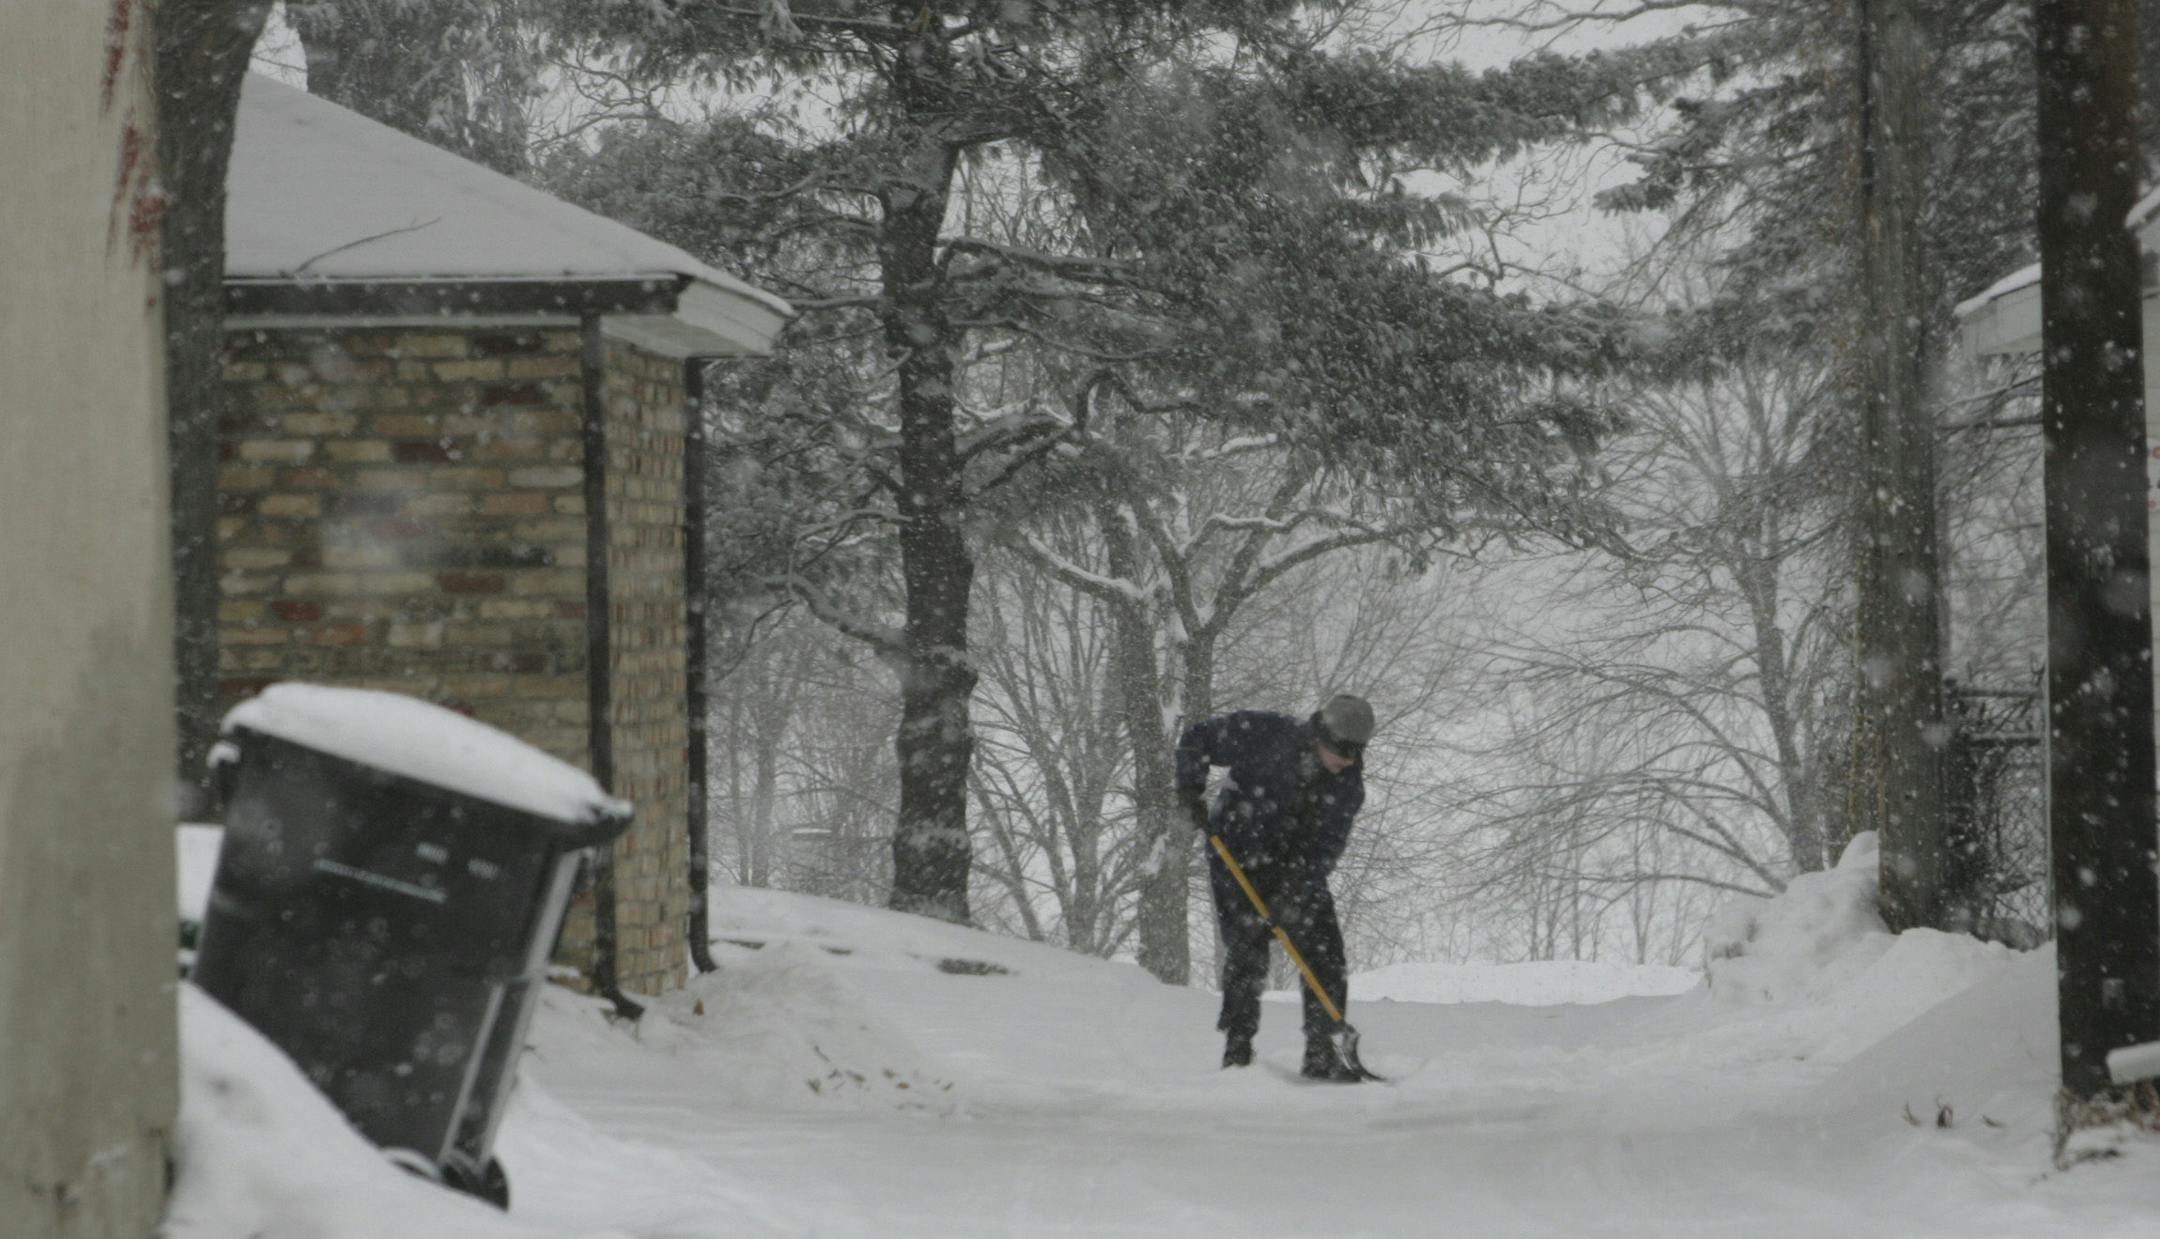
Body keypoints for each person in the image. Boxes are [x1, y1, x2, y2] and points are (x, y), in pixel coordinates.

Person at [1174, 693, 1375, 1082]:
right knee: (1248, 950)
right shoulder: (1266, 733)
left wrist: (1293, 891)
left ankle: (1324, 1052)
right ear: (1320, 733)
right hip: (1236, 853)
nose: (1348, 761)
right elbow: (1197, 738)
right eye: (1341, 750)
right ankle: (1238, 1049)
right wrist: (1189, 790)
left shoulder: (1348, 787)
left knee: (1325, 953)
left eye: (1356, 752)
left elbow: (1325, 849)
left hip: (1294, 868)